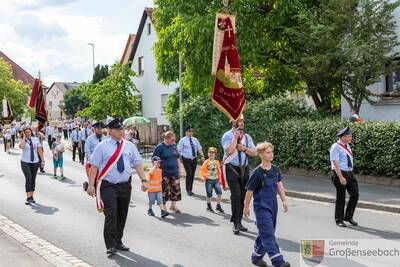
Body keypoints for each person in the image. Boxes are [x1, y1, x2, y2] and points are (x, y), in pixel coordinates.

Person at [86, 118, 148, 256]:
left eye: (122, 129)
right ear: (110, 131)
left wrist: (144, 180)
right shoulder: (102, 146)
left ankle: (118, 240)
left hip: (125, 185)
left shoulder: (129, 146)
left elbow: (137, 163)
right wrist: (91, 185)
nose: (122, 132)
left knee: (122, 214)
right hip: (108, 185)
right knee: (111, 213)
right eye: (118, 130)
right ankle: (110, 244)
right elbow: (94, 166)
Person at [244, 142, 290, 267]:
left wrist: (284, 200)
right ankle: (278, 262)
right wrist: (246, 207)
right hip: (261, 207)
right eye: (268, 152)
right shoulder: (257, 173)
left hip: (273, 206)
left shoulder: (275, 169)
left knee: (265, 232)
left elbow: (279, 186)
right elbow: (249, 191)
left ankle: (256, 256)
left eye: (272, 152)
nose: (271, 154)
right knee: (268, 234)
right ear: (261, 154)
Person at [221, 114, 257, 235]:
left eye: (243, 121)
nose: (242, 123)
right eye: (239, 121)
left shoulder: (247, 137)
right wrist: (235, 138)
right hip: (232, 168)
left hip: (244, 169)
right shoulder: (227, 135)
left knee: (242, 196)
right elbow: (228, 150)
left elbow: (254, 153)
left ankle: (238, 219)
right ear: (233, 122)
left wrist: (244, 149)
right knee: (236, 196)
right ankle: (236, 223)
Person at [330, 126, 359, 227]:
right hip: (340, 173)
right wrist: (341, 177)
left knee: (355, 194)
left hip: (350, 173)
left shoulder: (347, 146)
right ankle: (339, 219)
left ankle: (348, 217)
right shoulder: (335, 146)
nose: (351, 137)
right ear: (343, 137)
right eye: (349, 136)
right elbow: (336, 163)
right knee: (341, 197)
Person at [152, 131, 182, 213]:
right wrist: (156, 169)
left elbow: (177, 158)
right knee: (165, 191)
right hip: (164, 173)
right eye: (172, 140)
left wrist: (180, 169)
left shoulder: (174, 146)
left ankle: (173, 206)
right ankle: (164, 208)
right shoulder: (160, 147)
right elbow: (154, 159)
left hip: (175, 172)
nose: (173, 141)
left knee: (176, 190)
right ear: (167, 138)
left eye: (174, 140)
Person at [19, 126, 45, 205]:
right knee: (28, 178)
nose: (28, 133)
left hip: (35, 162)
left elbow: (39, 150)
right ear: (24, 133)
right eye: (26, 132)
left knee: (33, 179)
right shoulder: (23, 140)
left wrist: (43, 160)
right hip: (25, 162)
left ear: (31, 132)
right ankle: (28, 197)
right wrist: (23, 137)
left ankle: (31, 196)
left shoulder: (35, 139)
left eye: (29, 132)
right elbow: (21, 146)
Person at [177, 126, 205, 196]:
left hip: (194, 159)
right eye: (189, 131)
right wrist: (178, 159)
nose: (191, 132)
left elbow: (199, 148)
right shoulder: (182, 140)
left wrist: (202, 156)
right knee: (189, 173)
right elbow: (178, 150)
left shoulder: (195, 139)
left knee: (192, 174)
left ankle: (190, 189)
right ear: (186, 132)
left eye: (192, 130)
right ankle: (188, 190)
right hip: (186, 159)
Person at [199, 147, 224, 213]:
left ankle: (218, 206)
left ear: (215, 154)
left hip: (216, 180)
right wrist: (203, 177)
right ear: (208, 153)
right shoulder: (206, 162)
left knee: (219, 192)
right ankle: (209, 206)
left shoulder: (217, 162)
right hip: (209, 180)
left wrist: (220, 180)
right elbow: (202, 170)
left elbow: (219, 171)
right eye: (209, 152)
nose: (211, 153)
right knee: (209, 194)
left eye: (212, 152)